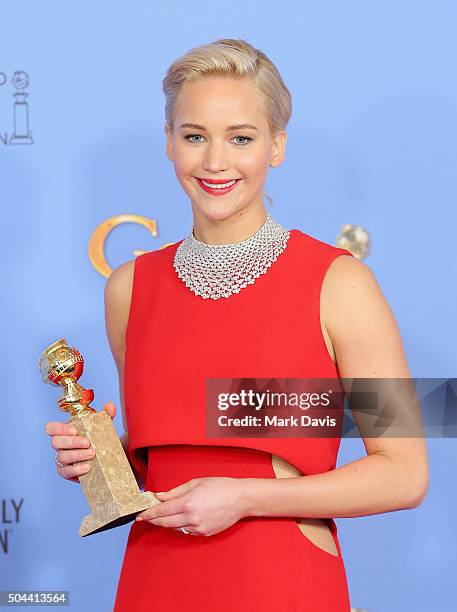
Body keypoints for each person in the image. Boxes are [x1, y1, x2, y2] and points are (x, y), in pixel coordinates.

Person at [44, 38, 429, 611]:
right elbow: (161, 456)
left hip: (278, 577)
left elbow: (403, 474)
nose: (215, 162)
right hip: (156, 575)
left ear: (276, 146)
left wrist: (246, 497)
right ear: (169, 144)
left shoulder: (338, 284)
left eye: (241, 138)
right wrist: (101, 461)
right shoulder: (129, 288)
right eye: (194, 136)